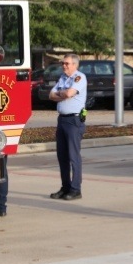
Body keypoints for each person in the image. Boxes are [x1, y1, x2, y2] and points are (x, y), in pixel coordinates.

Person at [49, 54, 87, 200]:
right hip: (62, 120)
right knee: (62, 156)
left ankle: (76, 189)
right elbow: (51, 95)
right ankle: (65, 187)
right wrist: (62, 95)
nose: (64, 66)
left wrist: (64, 94)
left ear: (75, 65)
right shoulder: (63, 78)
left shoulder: (79, 77)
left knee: (73, 156)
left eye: (67, 63)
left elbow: (70, 93)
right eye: (63, 63)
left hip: (74, 121)